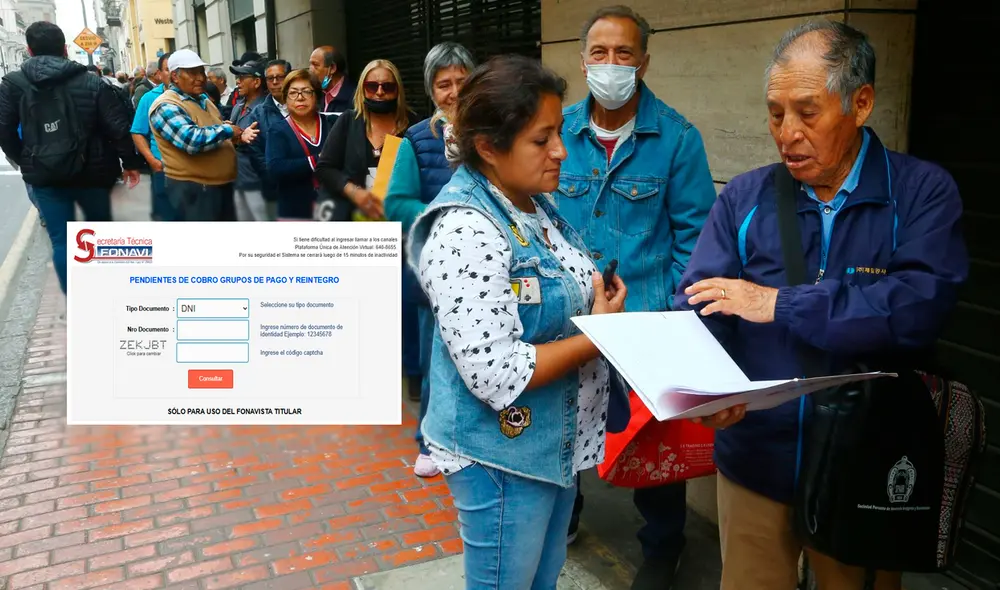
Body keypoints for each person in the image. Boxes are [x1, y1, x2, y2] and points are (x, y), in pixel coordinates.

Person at [674, 20, 968, 590]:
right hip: (756, 457)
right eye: (775, 112)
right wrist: (706, 391)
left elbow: (917, 307)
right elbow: (699, 305)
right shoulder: (744, 198)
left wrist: (782, 305)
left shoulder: (922, 192)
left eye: (807, 112)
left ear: (861, 104)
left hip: (869, 462)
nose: (787, 132)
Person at [408, 54, 627, 589]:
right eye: (541, 138)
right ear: (488, 147)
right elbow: (496, 373)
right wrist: (598, 333)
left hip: (550, 445)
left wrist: (596, 293)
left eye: (558, 133)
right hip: (500, 460)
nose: (560, 151)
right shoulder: (466, 230)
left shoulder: (530, 204)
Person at [556, 7, 717, 587]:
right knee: (567, 424)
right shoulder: (560, 130)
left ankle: (662, 546)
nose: (611, 64)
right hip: (571, 318)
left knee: (655, 441)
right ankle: (565, 519)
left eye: (624, 54)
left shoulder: (676, 138)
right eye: (599, 53)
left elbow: (694, 240)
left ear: (644, 62)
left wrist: (670, 320)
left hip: (647, 317)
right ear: (582, 60)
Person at [383, 41, 476, 478]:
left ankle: (469, 439)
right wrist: (445, 218)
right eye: (444, 84)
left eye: (461, 81)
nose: (454, 92)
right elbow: (396, 203)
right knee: (435, 358)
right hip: (433, 272)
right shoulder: (413, 141)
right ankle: (428, 440)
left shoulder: (492, 132)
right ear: (430, 90)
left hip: (485, 271)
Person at [0, 21, 141, 294]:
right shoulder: (91, 81)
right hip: (94, 171)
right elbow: (117, 126)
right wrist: (131, 163)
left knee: (62, 242)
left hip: (45, 174)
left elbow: (4, 132)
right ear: (65, 48)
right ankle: (106, 293)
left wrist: (25, 158)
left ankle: (79, 302)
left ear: (29, 50)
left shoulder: (13, 85)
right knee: (99, 235)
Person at [149, 49, 259, 222]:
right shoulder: (166, 105)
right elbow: (192, 140)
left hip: (218, 188)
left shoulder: (203, 99)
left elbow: (214, 127)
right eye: (192, 73)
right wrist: (229, 130)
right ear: (175, 77)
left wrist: (237, 135)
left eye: (201, 72)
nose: (200, 77)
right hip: (194, 191)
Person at [316, 59, 414, 222]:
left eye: (387, 86)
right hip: (352, 221)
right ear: (362, 89)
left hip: (399, 222)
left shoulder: (413, 125)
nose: (380, 92)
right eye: (372, 86)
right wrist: (354, 192)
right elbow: (325, 168)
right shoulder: (348, 121)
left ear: (398, 90)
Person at [265, 69, 333, 220]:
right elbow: (275, 168)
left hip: (332, 209)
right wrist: (318, 159)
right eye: (293, 93)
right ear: (285, 99)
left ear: (316, 96)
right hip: (294, 212)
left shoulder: (332, 124)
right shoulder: (278, 130)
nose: (300, 98)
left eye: (306, 92)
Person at [131, 52, 179, 221]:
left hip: (194, 172)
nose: (174, 75)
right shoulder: (149, 98)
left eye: (179, 69)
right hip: (164, 170)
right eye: (169, 70)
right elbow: (137, 132)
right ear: (159, 74)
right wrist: (153, 161)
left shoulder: (199, 97)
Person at [248, 59, 292, 220]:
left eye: (280, 77)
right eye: (270, 78)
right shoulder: (258, 113)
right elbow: (255, 151)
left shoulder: (305, 105)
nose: (275, 82)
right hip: (275, 188)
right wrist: (275, 175)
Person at [229, 59, 269, 221]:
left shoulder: (265, 109)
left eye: (243, 77)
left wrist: (236, 135)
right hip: (238, 179)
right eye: (237, 77)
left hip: (256, 183)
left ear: (257, 82)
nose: (238, 82)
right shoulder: (238, 106)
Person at [309, 45, 356, 114]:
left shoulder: (355, 97)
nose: (310, 70)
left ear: (332, 68)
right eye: (310, 65)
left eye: (315, 65)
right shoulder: (316, 94)